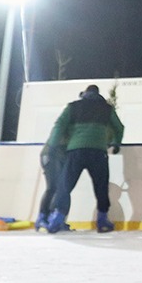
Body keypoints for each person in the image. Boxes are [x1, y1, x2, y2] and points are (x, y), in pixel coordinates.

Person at [42, 85, 123, 233]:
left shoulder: (73, 106)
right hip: (98, 151)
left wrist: (52, 146)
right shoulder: (107, 108)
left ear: (84, 94)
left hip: (76, 150)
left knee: (65, 185)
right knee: (101, 186)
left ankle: (57, 218)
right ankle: (102, 220)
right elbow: (119, 127)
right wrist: (116, 144)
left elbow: (59, 125)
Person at [33, 142, 65, 232]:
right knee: (53, 187)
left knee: (59, 188)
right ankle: (43, 218)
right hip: (51, 155)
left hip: (56, 155)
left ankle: (52, 218)